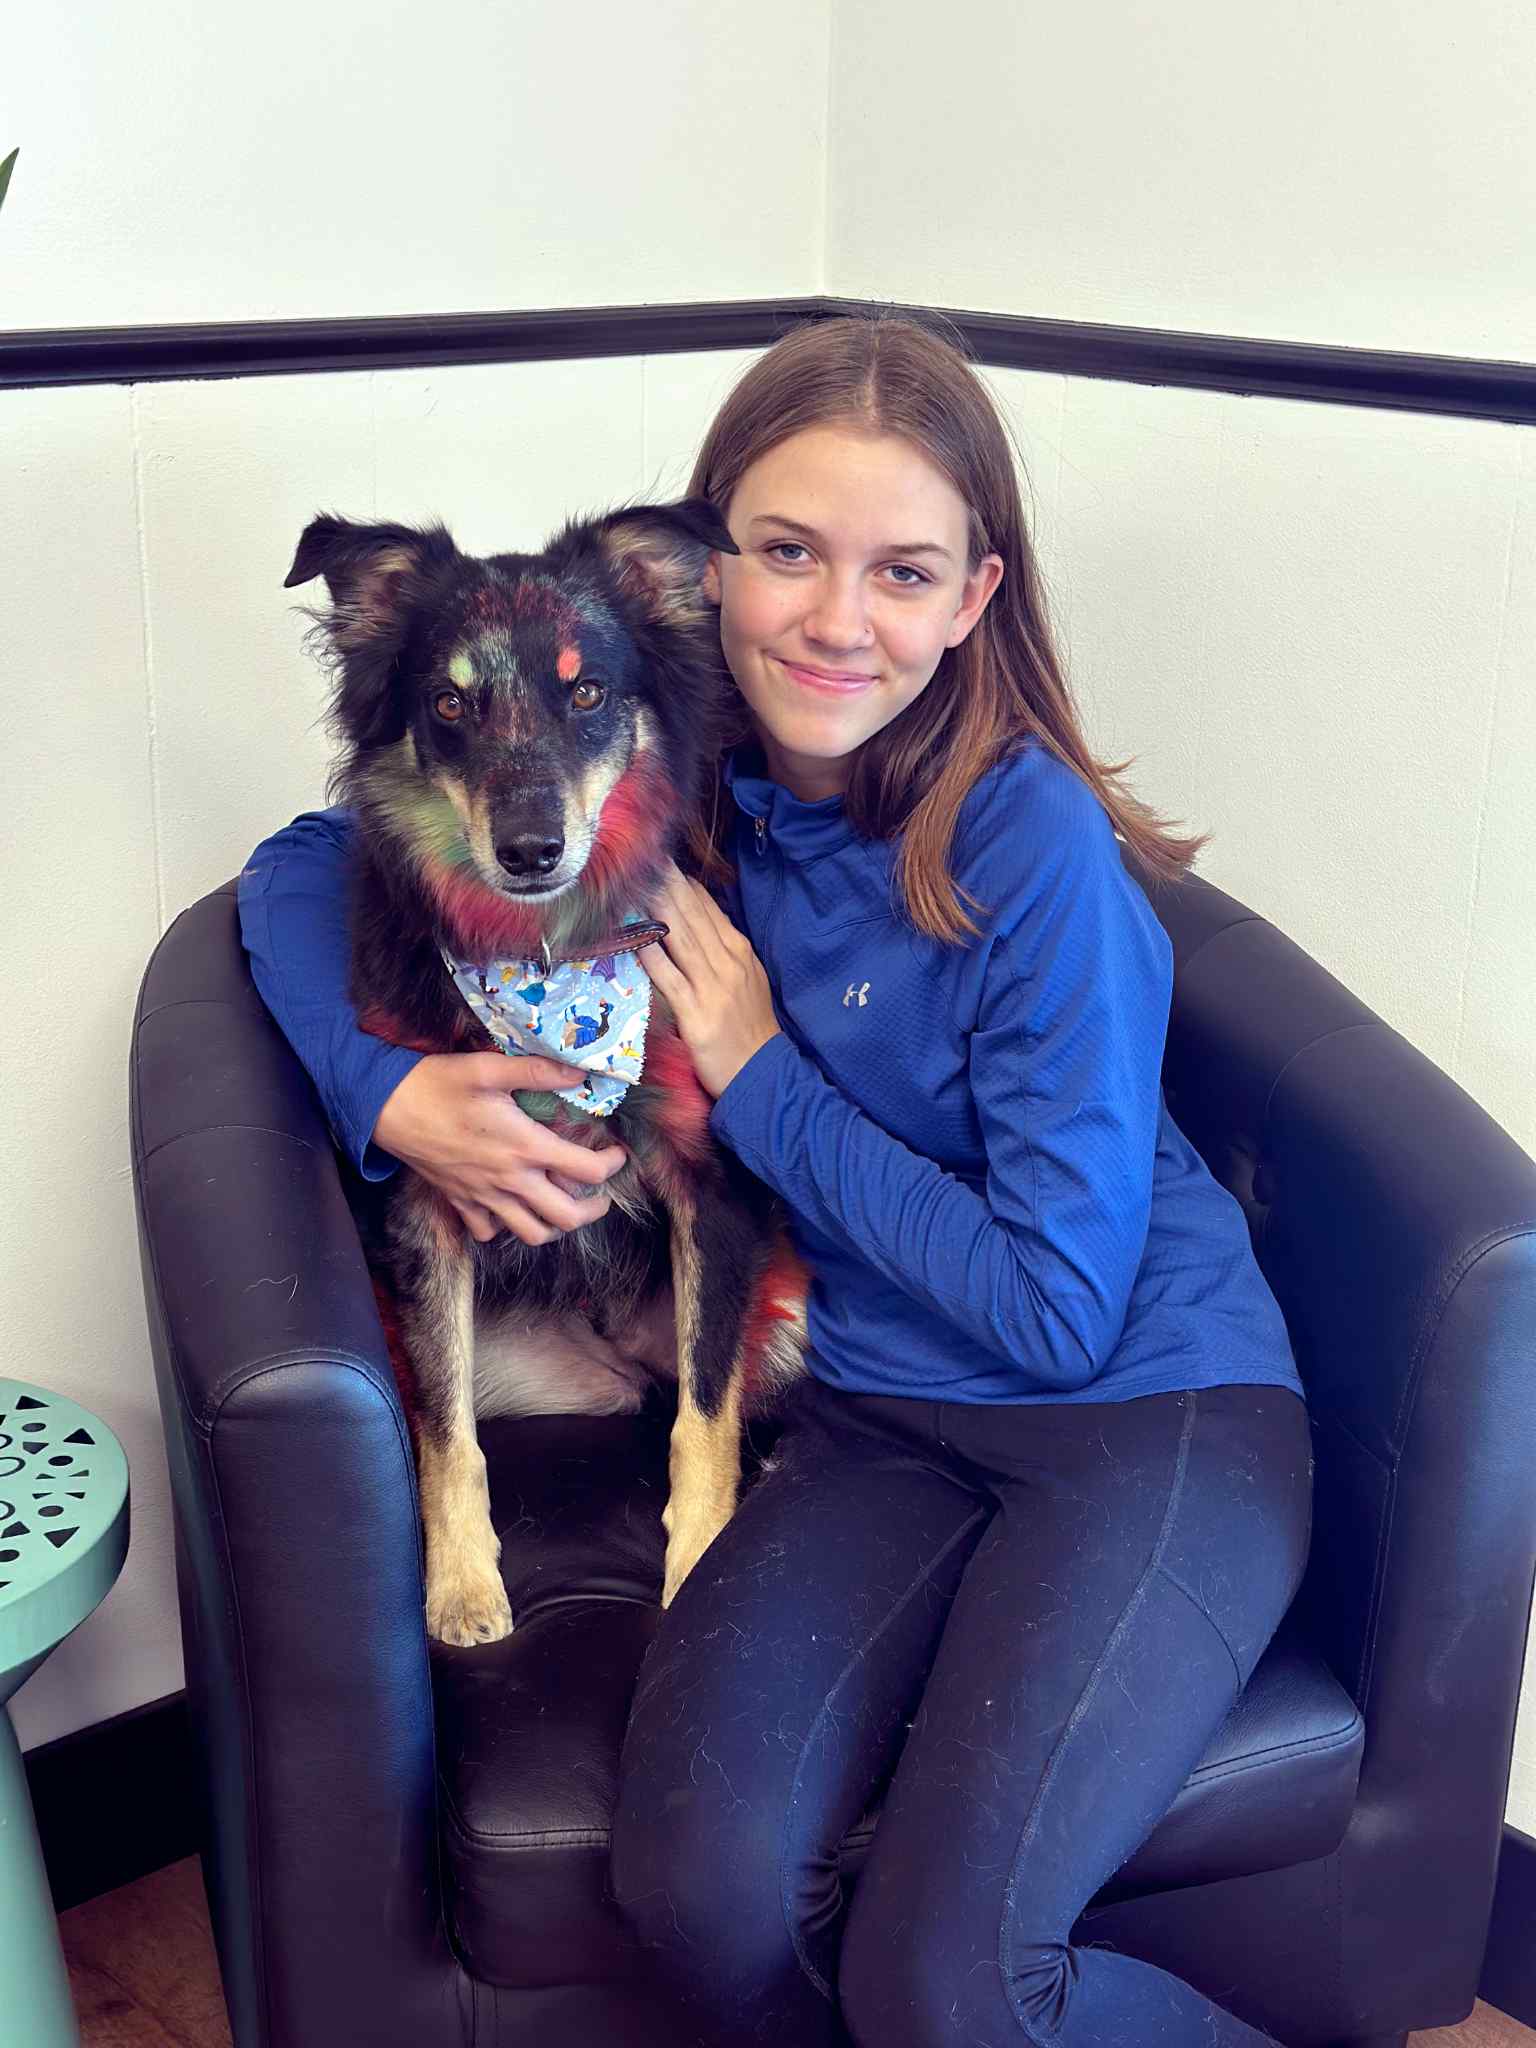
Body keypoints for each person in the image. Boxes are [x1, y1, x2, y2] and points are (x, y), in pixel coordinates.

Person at [238, 315, 1309, 2048]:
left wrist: (763, 1077)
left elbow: (1057, 1309)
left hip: (1143, 1410)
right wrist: (392, 1092)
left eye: (904, 571)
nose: (836, 618)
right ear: (705, 570)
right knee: (696, 1891)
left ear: (973, 598)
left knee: (951, 1977)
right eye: (789, 551)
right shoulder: (660, 752)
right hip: (877, 1412)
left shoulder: (1032, 844)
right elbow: (305, 858)